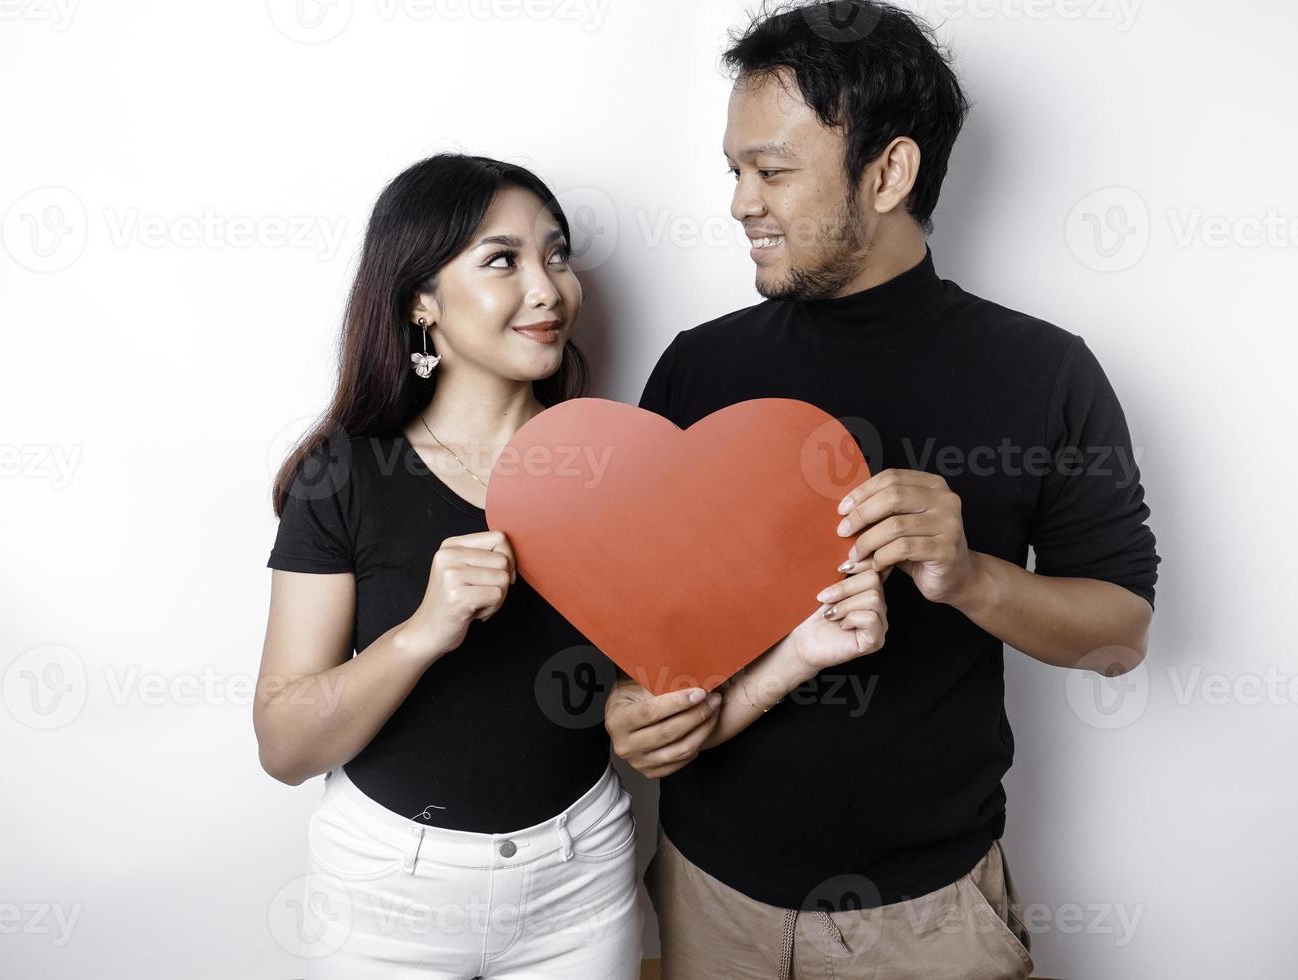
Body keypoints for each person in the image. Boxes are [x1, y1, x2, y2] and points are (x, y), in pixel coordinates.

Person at [605, 4, 1161, 978]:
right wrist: (623, 704)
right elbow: (634, 630)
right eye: (733, 171)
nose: (741, 202)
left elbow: (1120, 634)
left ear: (889, 172)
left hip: (930, 917)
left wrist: (966, 574)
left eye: (772, 171)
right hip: (704, 891)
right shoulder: (697, 368)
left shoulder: (1046, 373)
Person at [254, 152, 888, 978]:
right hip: (388, 888)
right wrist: (422, 632)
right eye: (501, 260)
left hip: (579, 880)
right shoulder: (343, 475)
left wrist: (804, 650)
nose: (548, 288)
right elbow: (285, 744)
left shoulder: (618, 474)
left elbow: (662, 725)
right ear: (420, 298)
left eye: (556, 254)